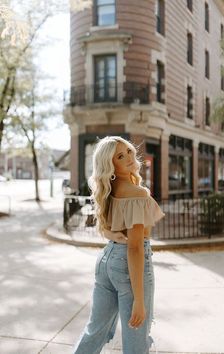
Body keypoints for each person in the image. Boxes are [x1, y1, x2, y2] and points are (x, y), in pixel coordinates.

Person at [72, 136, 165, 354]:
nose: (130, 157)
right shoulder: (137, 193)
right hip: (128, 268)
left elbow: (105, 229)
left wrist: (114, 236)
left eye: (129, 151)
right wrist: (139, 300)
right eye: (120, 156)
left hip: (106, 262)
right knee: (136, 342)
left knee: (94, 332)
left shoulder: (109, 190)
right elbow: (135, 248)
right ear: (110, 165)